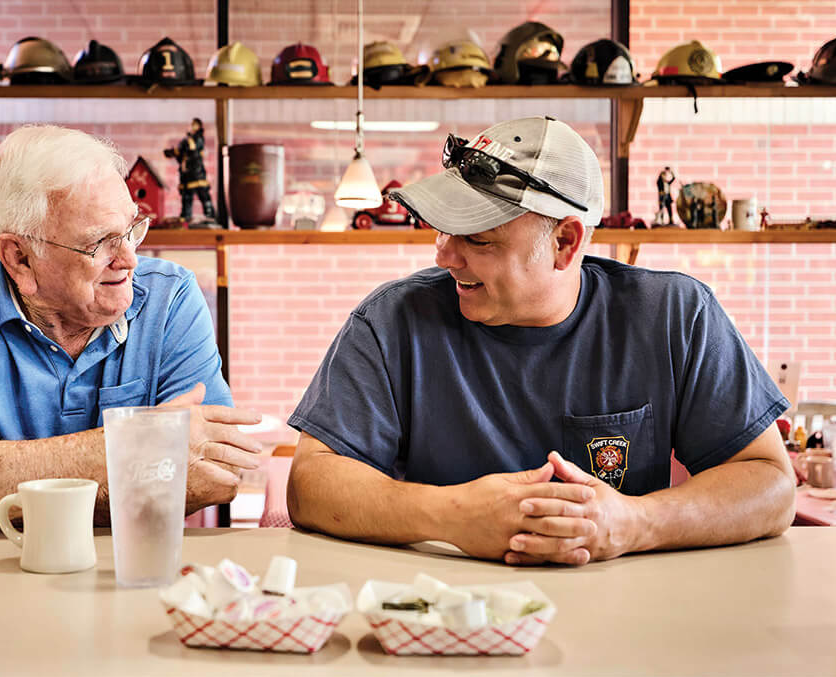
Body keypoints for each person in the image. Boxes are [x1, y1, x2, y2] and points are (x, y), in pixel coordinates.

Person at [286, 116, 794, 566]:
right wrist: (451, 515)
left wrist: (634, 522)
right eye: (442, 229)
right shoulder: (392, 321)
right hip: (440, 618)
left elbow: (769, 484)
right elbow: (311, 482)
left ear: (565, 243)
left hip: (631, 623)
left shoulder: (673, 316)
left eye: (478, 239)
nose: (445, 256)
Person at [0, 124, 261, 527]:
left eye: (130, 231)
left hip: (137, 572)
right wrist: (139, 445)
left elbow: (217, 475)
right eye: (99, 243)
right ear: (20, 259)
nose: (129, 259)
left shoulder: (170, 298)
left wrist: (0, 489)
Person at [163, 117, 216, 222]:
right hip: (186, 174)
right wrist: (172, 152)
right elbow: (180, 151)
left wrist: (189, 146)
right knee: (186, 196)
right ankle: (186, 215)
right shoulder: (186, 140)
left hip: (197, 172)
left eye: (195, 125)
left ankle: (210, 214)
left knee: (203, 195)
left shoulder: (198, 139)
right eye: (192, 124)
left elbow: (193, 150)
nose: (192, 127)